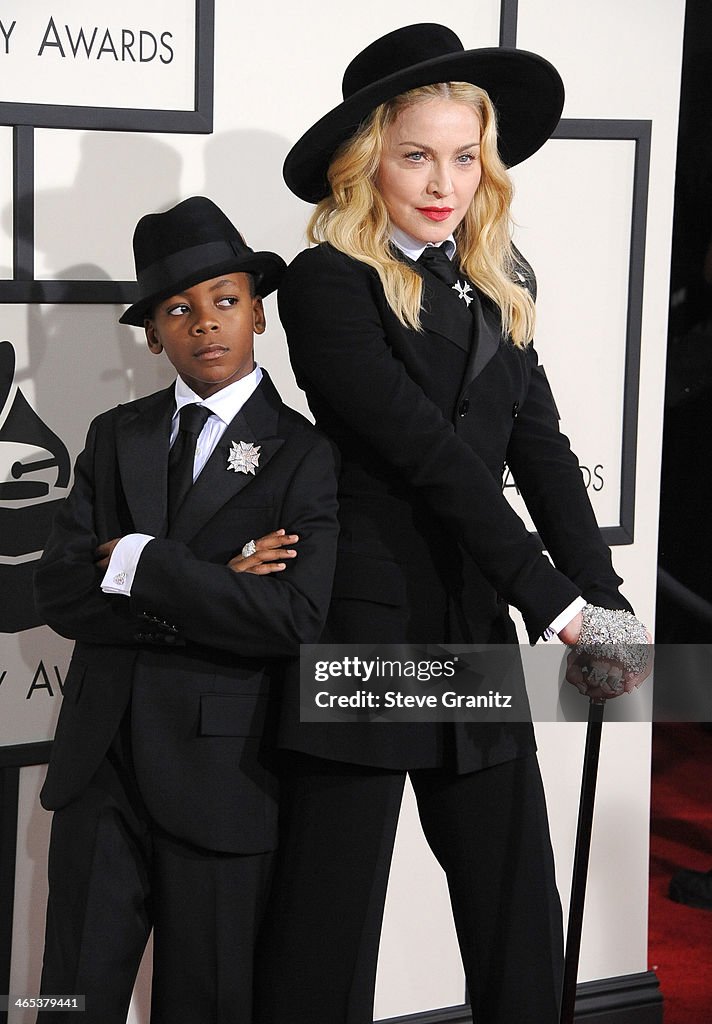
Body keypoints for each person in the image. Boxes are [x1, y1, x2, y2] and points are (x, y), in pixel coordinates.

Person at [254, 24, 650, 1024]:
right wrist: (554, 600)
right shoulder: (326, 284)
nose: (444, 181)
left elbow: (542, 452)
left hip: (470, 622)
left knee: (517, 914)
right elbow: (426, 455)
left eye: (464, 155)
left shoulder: (497, 282)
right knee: (325, 934)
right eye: (415, 154)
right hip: (367, 629)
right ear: (367, 162)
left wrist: (602, 600)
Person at [33, 196, 338, 1024]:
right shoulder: (114, 435)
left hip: (223, 776)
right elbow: (58, 591)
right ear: (153, 334)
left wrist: (143, 563)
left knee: (207, 1004)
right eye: (180, 309)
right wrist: (216, 577)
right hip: (99, 770)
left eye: (226, 301)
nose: (206, 324)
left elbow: (290, 618)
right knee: (66, 998)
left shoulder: (305, 454)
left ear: (260, 314)